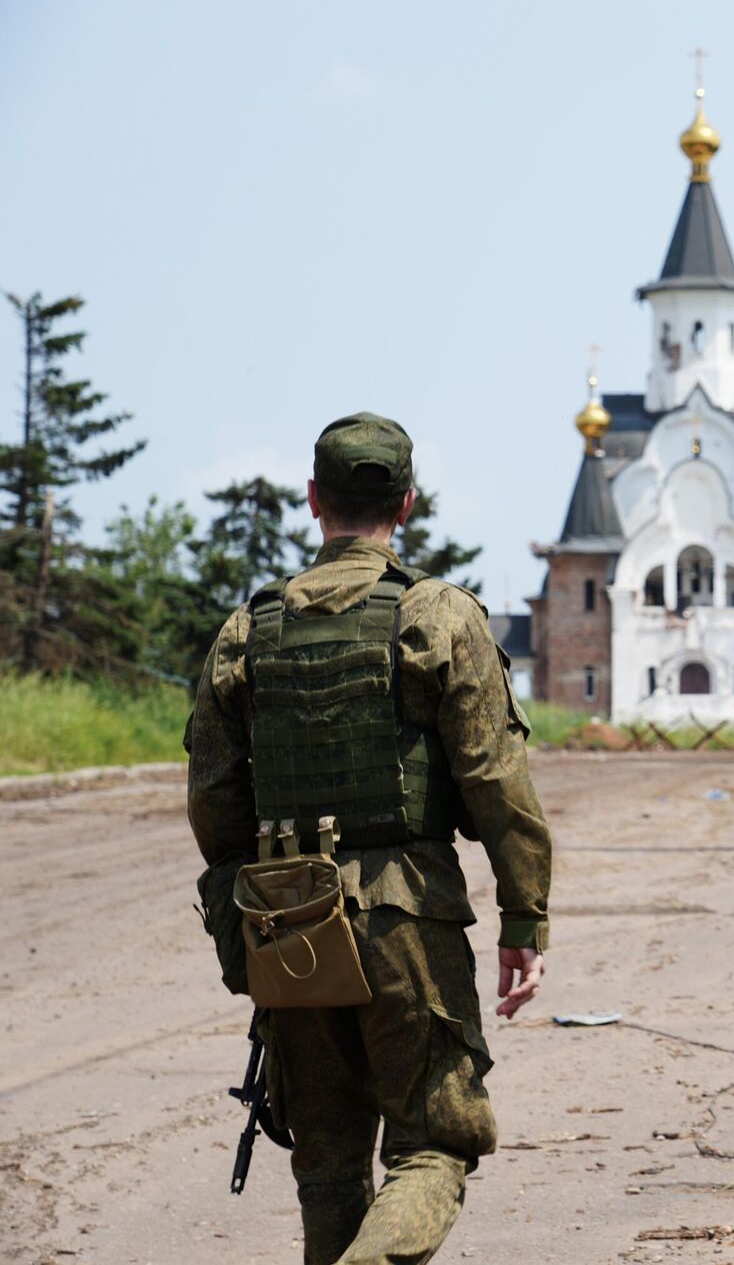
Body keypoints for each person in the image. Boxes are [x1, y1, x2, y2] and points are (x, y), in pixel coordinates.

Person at [187, 412, 552, 1264]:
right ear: (407, 503)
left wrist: (254, 909)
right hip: (406, 918)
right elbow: (497, 783)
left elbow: (213, 803)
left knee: (327, 1161)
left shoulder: (248, 629)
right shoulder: (440, 616)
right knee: (435, 1143)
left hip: (289, 923)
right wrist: (524, 919)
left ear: (314, 500)